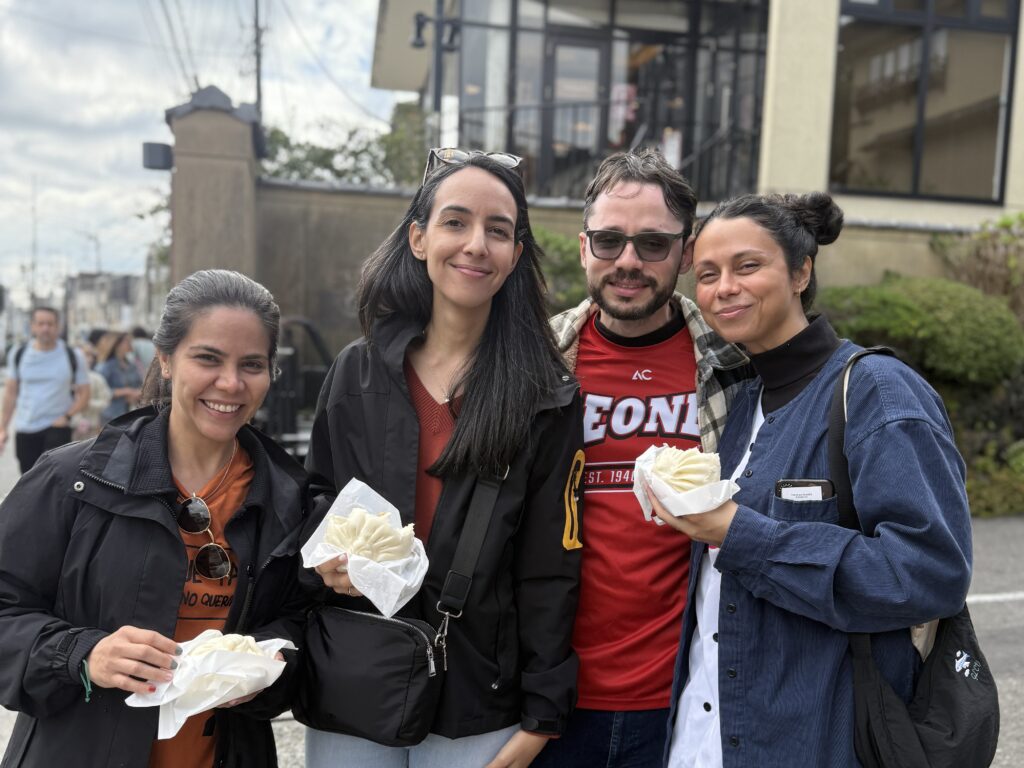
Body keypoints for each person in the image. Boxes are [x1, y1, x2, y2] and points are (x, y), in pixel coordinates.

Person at [652, 192, 972, 767]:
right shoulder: (739, 401)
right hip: (704, 736)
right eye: (707, 274)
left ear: (802, 271)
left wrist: (739, 533)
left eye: (748, 266)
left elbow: (929, 573)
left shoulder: (876, 391)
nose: (724, 287)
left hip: (819, 741)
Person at [303, 148, 585, 768]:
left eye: (499, 230)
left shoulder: (547, 397)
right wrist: (325, 555)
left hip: (478, 694)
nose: (476, 244)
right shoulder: (359, 371)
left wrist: (542, 715)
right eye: (456, 222)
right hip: (357, 672)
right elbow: (317, 498)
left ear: (515, 256)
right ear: (418, 238)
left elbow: (550, 569)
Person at [0, 270, 311, 768]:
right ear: (165, 360)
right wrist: (83, 655)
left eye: (251, 364)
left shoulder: (289, 499)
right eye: (208, 358)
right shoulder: (72, 480)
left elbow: (301, 625)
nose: (230, 383)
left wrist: (268, 663)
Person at [537, 149, 748, 768]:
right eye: (609, 241)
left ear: (686, 255)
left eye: (652, 244)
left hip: (686, 695)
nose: (628, 261)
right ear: (583, 248)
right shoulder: (535, 364)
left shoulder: (736, 367)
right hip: (547, 692)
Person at [0, 306, 90, 473]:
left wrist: (67, 416)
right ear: (32, 326)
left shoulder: (73, 355)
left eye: (50, 324)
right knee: (28, 481)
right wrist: (3, 428)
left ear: (58, 326)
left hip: (57, 427)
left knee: (57, 483)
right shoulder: (19, 353)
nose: (45, 328)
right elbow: (10, 393)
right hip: (25, 427)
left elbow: (85, 393)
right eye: (41, 323)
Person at [96, 330, 144, 422]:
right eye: (127, 341)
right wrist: (127, 392)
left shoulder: (131, 365)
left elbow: (140, 384)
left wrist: (137, 393)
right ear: (117, 344)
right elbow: (101, 391)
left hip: (131, 412)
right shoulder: (106, 366)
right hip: (111, 415)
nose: (130, 343)